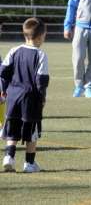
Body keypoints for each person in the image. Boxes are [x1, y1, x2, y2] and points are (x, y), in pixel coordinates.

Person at [0, 17, 49, 173]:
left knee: (12, 127)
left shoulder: (14, 50)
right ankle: (29, 163)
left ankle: (9, 157)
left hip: (13, 96)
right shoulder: (41, 55)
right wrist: (42, 97)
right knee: (31, 130)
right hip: (31, 98)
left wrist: (4, 90)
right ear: (41, 36)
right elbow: (41, 80)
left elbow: (3, 72)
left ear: (25, 34)